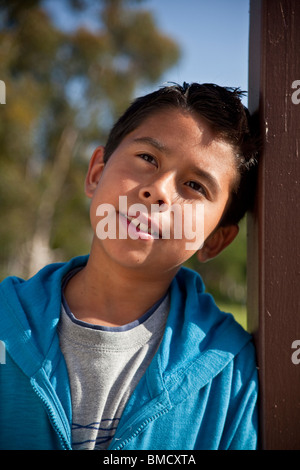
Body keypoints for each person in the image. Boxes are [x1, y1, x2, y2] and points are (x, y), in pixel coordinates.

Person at [0, 82, 259, 450]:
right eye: (148, 159)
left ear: (215, 240)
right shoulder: (4, 322)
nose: (158, 191)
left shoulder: (231, 373)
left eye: (195, 185)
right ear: (95, 174)